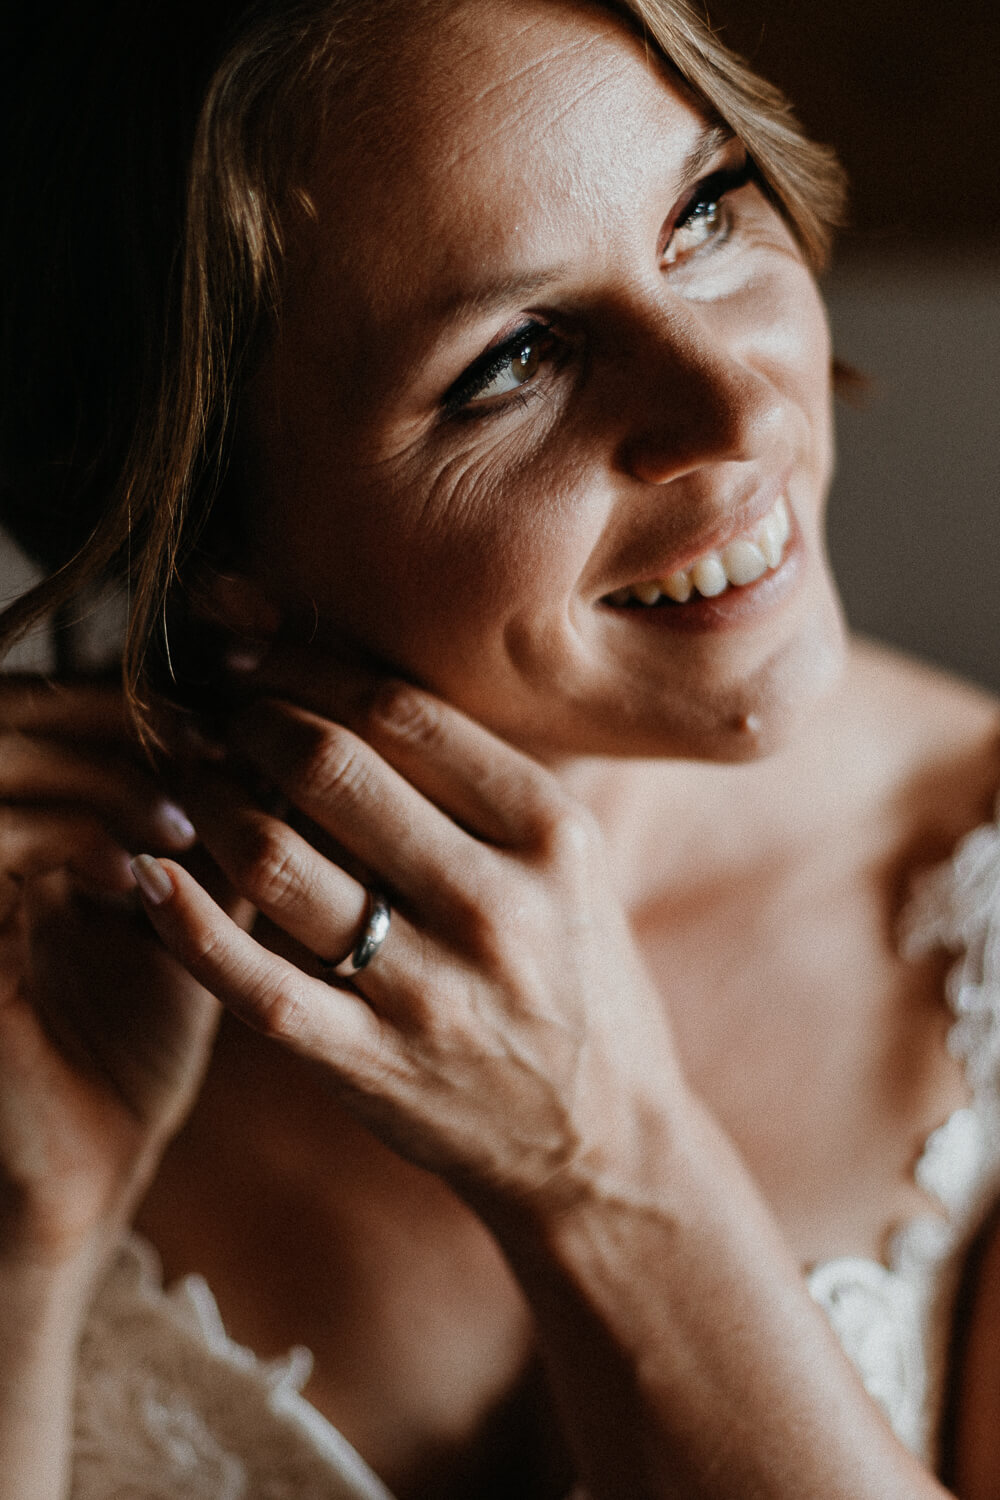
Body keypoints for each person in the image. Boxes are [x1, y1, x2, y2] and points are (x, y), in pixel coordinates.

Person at [1, 0, 999, 1495]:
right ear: (210, 537)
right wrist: (26, 1243)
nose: (735, 408)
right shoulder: (36, 968)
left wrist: (609, 1171)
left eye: (707, 211)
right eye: (518, 358)